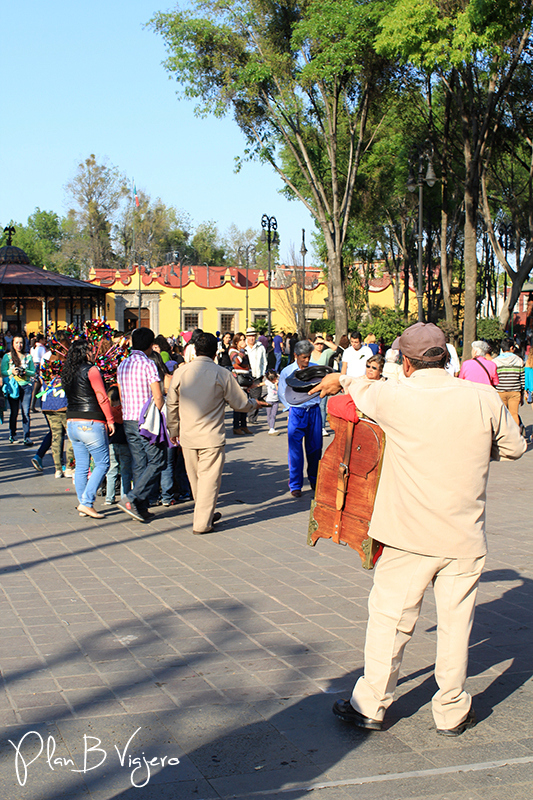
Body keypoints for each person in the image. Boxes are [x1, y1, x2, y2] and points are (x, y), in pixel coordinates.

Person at [312, 322, 526, 736]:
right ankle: (450, 711)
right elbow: (515, 448)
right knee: (456, 625)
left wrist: (339, 377)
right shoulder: (482, 397)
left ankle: (371, 704)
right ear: (445, 357)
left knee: (391, 620)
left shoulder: (395, 395)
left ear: (406, 363)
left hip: (407, 536)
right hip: (463, 535)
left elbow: (352, 387)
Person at [166, 332, 265, 534]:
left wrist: (173, 428)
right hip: (211, 436)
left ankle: (206, 514)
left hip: (187, 434)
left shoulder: (181, 372)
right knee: (209, 481)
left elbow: (171, 403)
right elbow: (240, 403)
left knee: (195, 480)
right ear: (215, 353)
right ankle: (202, 523)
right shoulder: (221, 373)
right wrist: (256, 404)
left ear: (195, 350)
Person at [117, 327, 166, 522]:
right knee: (158, 460)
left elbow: (121, 394)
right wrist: (162, 414)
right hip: (146, 420)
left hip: (128, 417)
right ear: (149, 345)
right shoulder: (148, 364)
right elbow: (158, 396)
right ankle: (132, 498)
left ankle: (139, 505)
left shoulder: (123, 364)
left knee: (140, 462)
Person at [63, 339, 115, 519]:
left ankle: (83, 502)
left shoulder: (67, 372)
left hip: (72, 421)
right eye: (91, 350)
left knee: (82, 466)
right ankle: (86, 502)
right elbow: (101, 396)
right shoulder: (92, 370)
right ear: (85, 352)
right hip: (91, 421)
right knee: (103, 463)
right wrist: (110, 419)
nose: (93, 353)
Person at [278, 339, 322, 498]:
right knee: (295, 450)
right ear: (295, 355)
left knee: (315, 449)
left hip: (314, 411)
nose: (306, 360)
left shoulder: (315, 370)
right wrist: (290, 409)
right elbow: (281, 393)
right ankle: (295, 484)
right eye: (303, 357)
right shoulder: (287, 372)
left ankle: (315, 480)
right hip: (297, 412)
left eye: (308, 357)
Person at [1, 334, 36, 445]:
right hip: (13, 387)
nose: (19, 345)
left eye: (21, 342)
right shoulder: (8, 356)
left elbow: (33, 372)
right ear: (12, 344)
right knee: (14, 412)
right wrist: (12, 371)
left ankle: (27, 436)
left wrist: (25, 372)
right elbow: (3, 371)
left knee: (25, 412)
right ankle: (13, 435)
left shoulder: (28, 356)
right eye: (16, 343)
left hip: (26, 386)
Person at [104, 385, 133, 506]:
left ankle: (109, 498)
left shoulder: (108, 412)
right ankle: (124, 496)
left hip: (112, 444)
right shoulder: (125, 410)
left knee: (112, 471)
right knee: (126, 472)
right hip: (125, 444)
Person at [493, 338, 525, 428]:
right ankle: (516, 434)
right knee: (514, 414)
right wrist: (522, 393)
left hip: (500, 391)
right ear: (512, 348)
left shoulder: (495, 362)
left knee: (502, 415)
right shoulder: (519, 360)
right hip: (515, 391)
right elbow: (522, 379)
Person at [229, 333, 253, 435]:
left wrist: (250, 381)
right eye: (241, 340)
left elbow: (248, 365)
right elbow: (238, 361)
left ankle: (244, 425)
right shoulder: (233, 351)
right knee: (238, 405)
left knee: (245, 404)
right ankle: (236, 426)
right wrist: (242, 351)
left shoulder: (244, 352)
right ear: (236, 342)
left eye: (244, 339)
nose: (244, 342)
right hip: (238, 380)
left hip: (245, 380)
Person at [245, 327, 267, 423]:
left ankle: (252, 418)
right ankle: (242, 419)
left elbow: (264, 362)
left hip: (257, 376)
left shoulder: (260, 347)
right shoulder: (243, 347)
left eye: (253, 336)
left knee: (256, 397)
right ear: (246, 337)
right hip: (245, 376)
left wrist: (262, 373)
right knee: (244, 397)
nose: (251, 338)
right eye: (249, 336)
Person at [262, 369, 279, 435]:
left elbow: (278, 390)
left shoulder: (278, 382)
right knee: (269, 415)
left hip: (276, 401)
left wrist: (276, 384)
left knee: (273, 415)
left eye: (274, 379)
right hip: (269, 400)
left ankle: (272, 428)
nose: (273, 381)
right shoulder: (267, 382)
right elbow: (261, 384)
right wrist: (252, 386)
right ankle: (270, 427)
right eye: (272, 380)